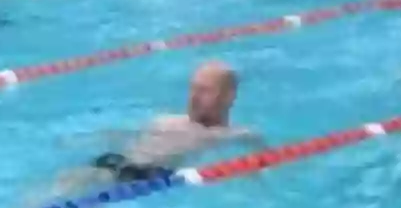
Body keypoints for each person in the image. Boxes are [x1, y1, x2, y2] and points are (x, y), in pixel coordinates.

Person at [51, 60, 262, 194]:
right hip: (116, 161)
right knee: (61, 185)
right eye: (192, 89)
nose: (193, 97)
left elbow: (261, 170)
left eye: (204, 91)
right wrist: (87, 139)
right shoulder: (166, 119)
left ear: (228, 95)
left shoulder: (233, 135)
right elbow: (127, 136)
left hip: (149, 175)